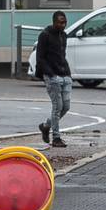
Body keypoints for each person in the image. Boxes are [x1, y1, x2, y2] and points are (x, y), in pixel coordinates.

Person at [33, 12, 71, 147]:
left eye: (64, 22)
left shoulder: (63, 36)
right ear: (54, 22)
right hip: (52, 76)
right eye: (60, 22)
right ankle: (56, 138)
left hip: (64, 74)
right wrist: (50, 74)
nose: (63, 25)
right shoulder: (45, 35)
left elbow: (62, 54)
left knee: (66, 107)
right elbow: (40, 58)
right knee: (57, 107)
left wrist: (67, 73)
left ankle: (45, 126)